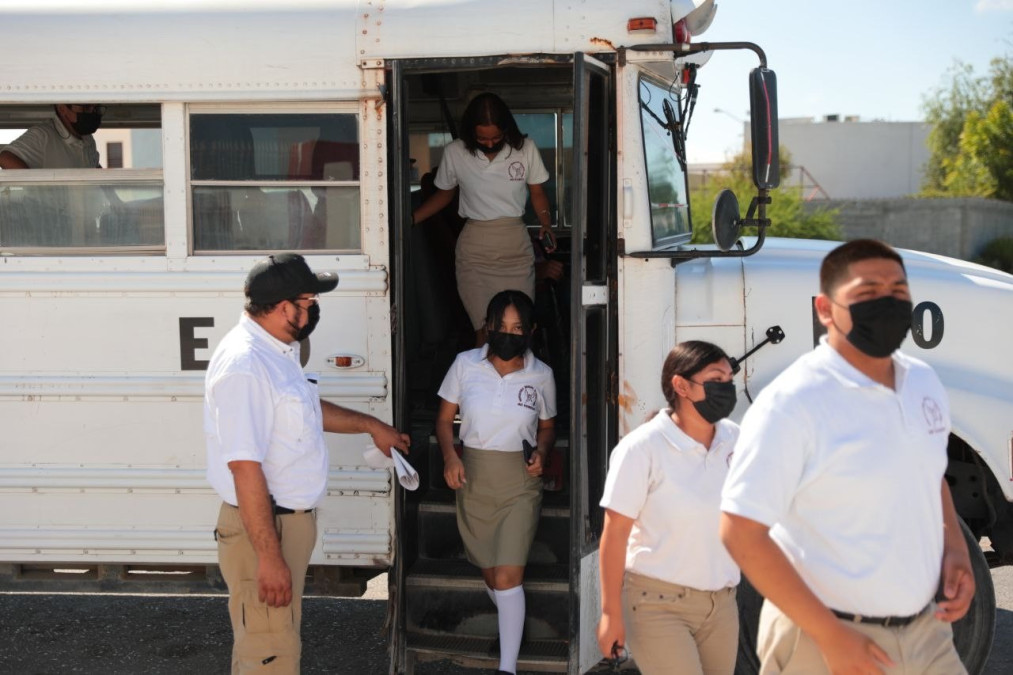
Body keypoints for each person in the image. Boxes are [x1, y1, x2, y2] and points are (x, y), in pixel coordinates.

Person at [720, 239, 974, 674]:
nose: (887, 303)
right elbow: (740, 532)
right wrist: (830, 636)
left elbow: (929, 473)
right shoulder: (793, 401)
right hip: (822, 641)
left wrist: (956, 550)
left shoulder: (923, 382)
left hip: (926, 634)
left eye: (898, 291)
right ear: (825, 309)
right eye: (867, 293)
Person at [204, 252, 410, 675]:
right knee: (270, 654)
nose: (315, 309)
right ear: (284, 308)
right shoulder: (245, 365)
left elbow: (304, 408)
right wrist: (269, 557)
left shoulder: (275, 350)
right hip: (264, 530)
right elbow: (245, 470)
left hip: (282, 526)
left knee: (269, 644)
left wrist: (371, 425)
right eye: (310, 302)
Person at [597, 341, 741, 675]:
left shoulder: (735, 439)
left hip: (722, 605)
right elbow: (615, 534)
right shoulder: (641, 449)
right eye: (717, 379)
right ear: (681, 385)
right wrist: (609, 614)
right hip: (656, 605)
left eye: (730, 379)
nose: (728, 388)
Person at [435, 289, 557, 675]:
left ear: (530, 331)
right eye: (501, 326)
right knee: (491, 573)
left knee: (507, 575)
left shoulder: (542, 375)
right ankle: (510, 618)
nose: (508, 333)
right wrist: (450, 456)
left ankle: (507, 667)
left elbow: (548, 426)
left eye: (517, 327)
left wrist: (542, 452)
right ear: (487, 327)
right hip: (474, 477)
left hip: (520, 483)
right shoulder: (464, 364)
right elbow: (443, 420)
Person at [412, 93, 555, 344]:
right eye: (482, 139)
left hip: (515, 250)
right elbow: (445, 195)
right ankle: (483, 383)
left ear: (506, 129)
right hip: (475, 252)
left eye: (496, 138)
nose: (489, 144)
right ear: (470, 132)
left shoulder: (526, 149)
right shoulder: (455, 152)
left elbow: (537, 192)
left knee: (516, 331)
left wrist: (546, 224)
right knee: (485, 330)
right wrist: (411, 219)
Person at [0, 104, 103, 169]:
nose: (92, 113)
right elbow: (5, 158)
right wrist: (35, 188)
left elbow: (93, 167)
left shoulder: (88, 139)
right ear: (62, 109)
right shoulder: (43, 135)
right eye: (86, 107)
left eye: (96, 108)